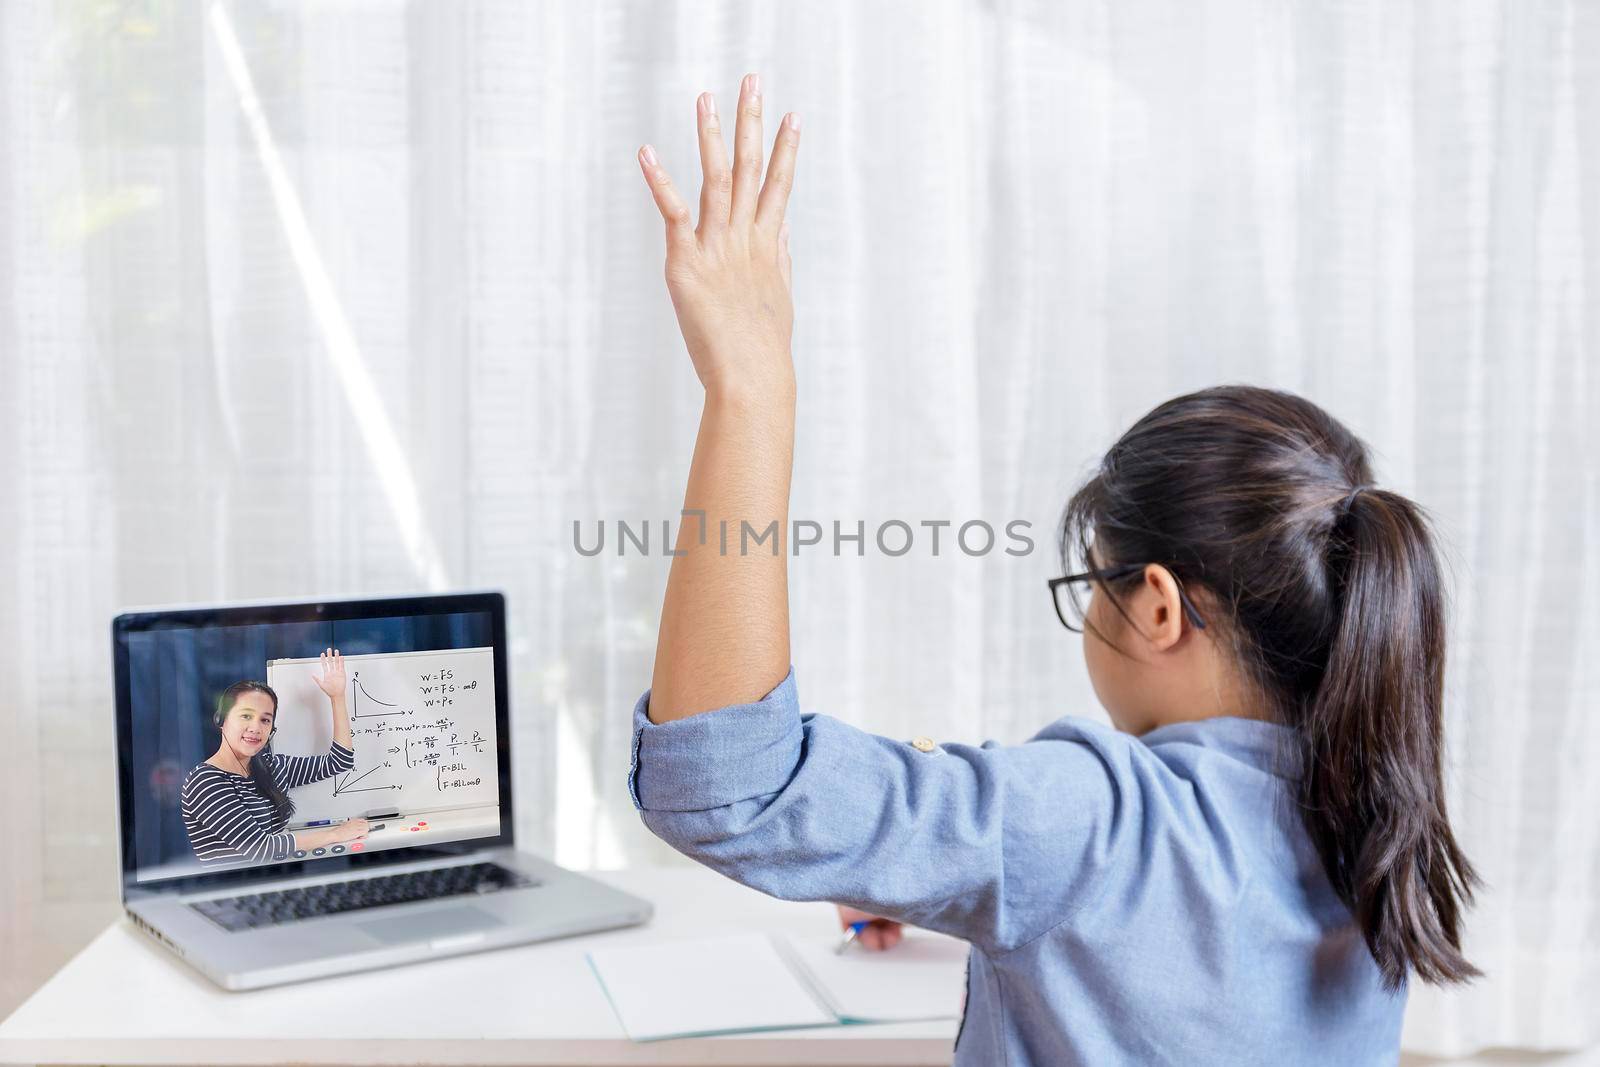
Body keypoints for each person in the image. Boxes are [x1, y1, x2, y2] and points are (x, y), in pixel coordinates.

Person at [629, 74, 1482, 1064]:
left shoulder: (1090, 823)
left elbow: (728, 783)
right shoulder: (1371, 826)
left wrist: (750, 384)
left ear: (1157, 604)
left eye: (1092, 585)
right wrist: (952, 858)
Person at [180, 648, 368, 866]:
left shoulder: (271, 766)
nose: (255, 728)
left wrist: (337, 697)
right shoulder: (204, 781)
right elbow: (259, 848)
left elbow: (340, 761)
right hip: (232, 889)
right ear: (222, 720)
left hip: (277, 879)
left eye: (265, 720)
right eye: (246, 716)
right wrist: (336, 835)